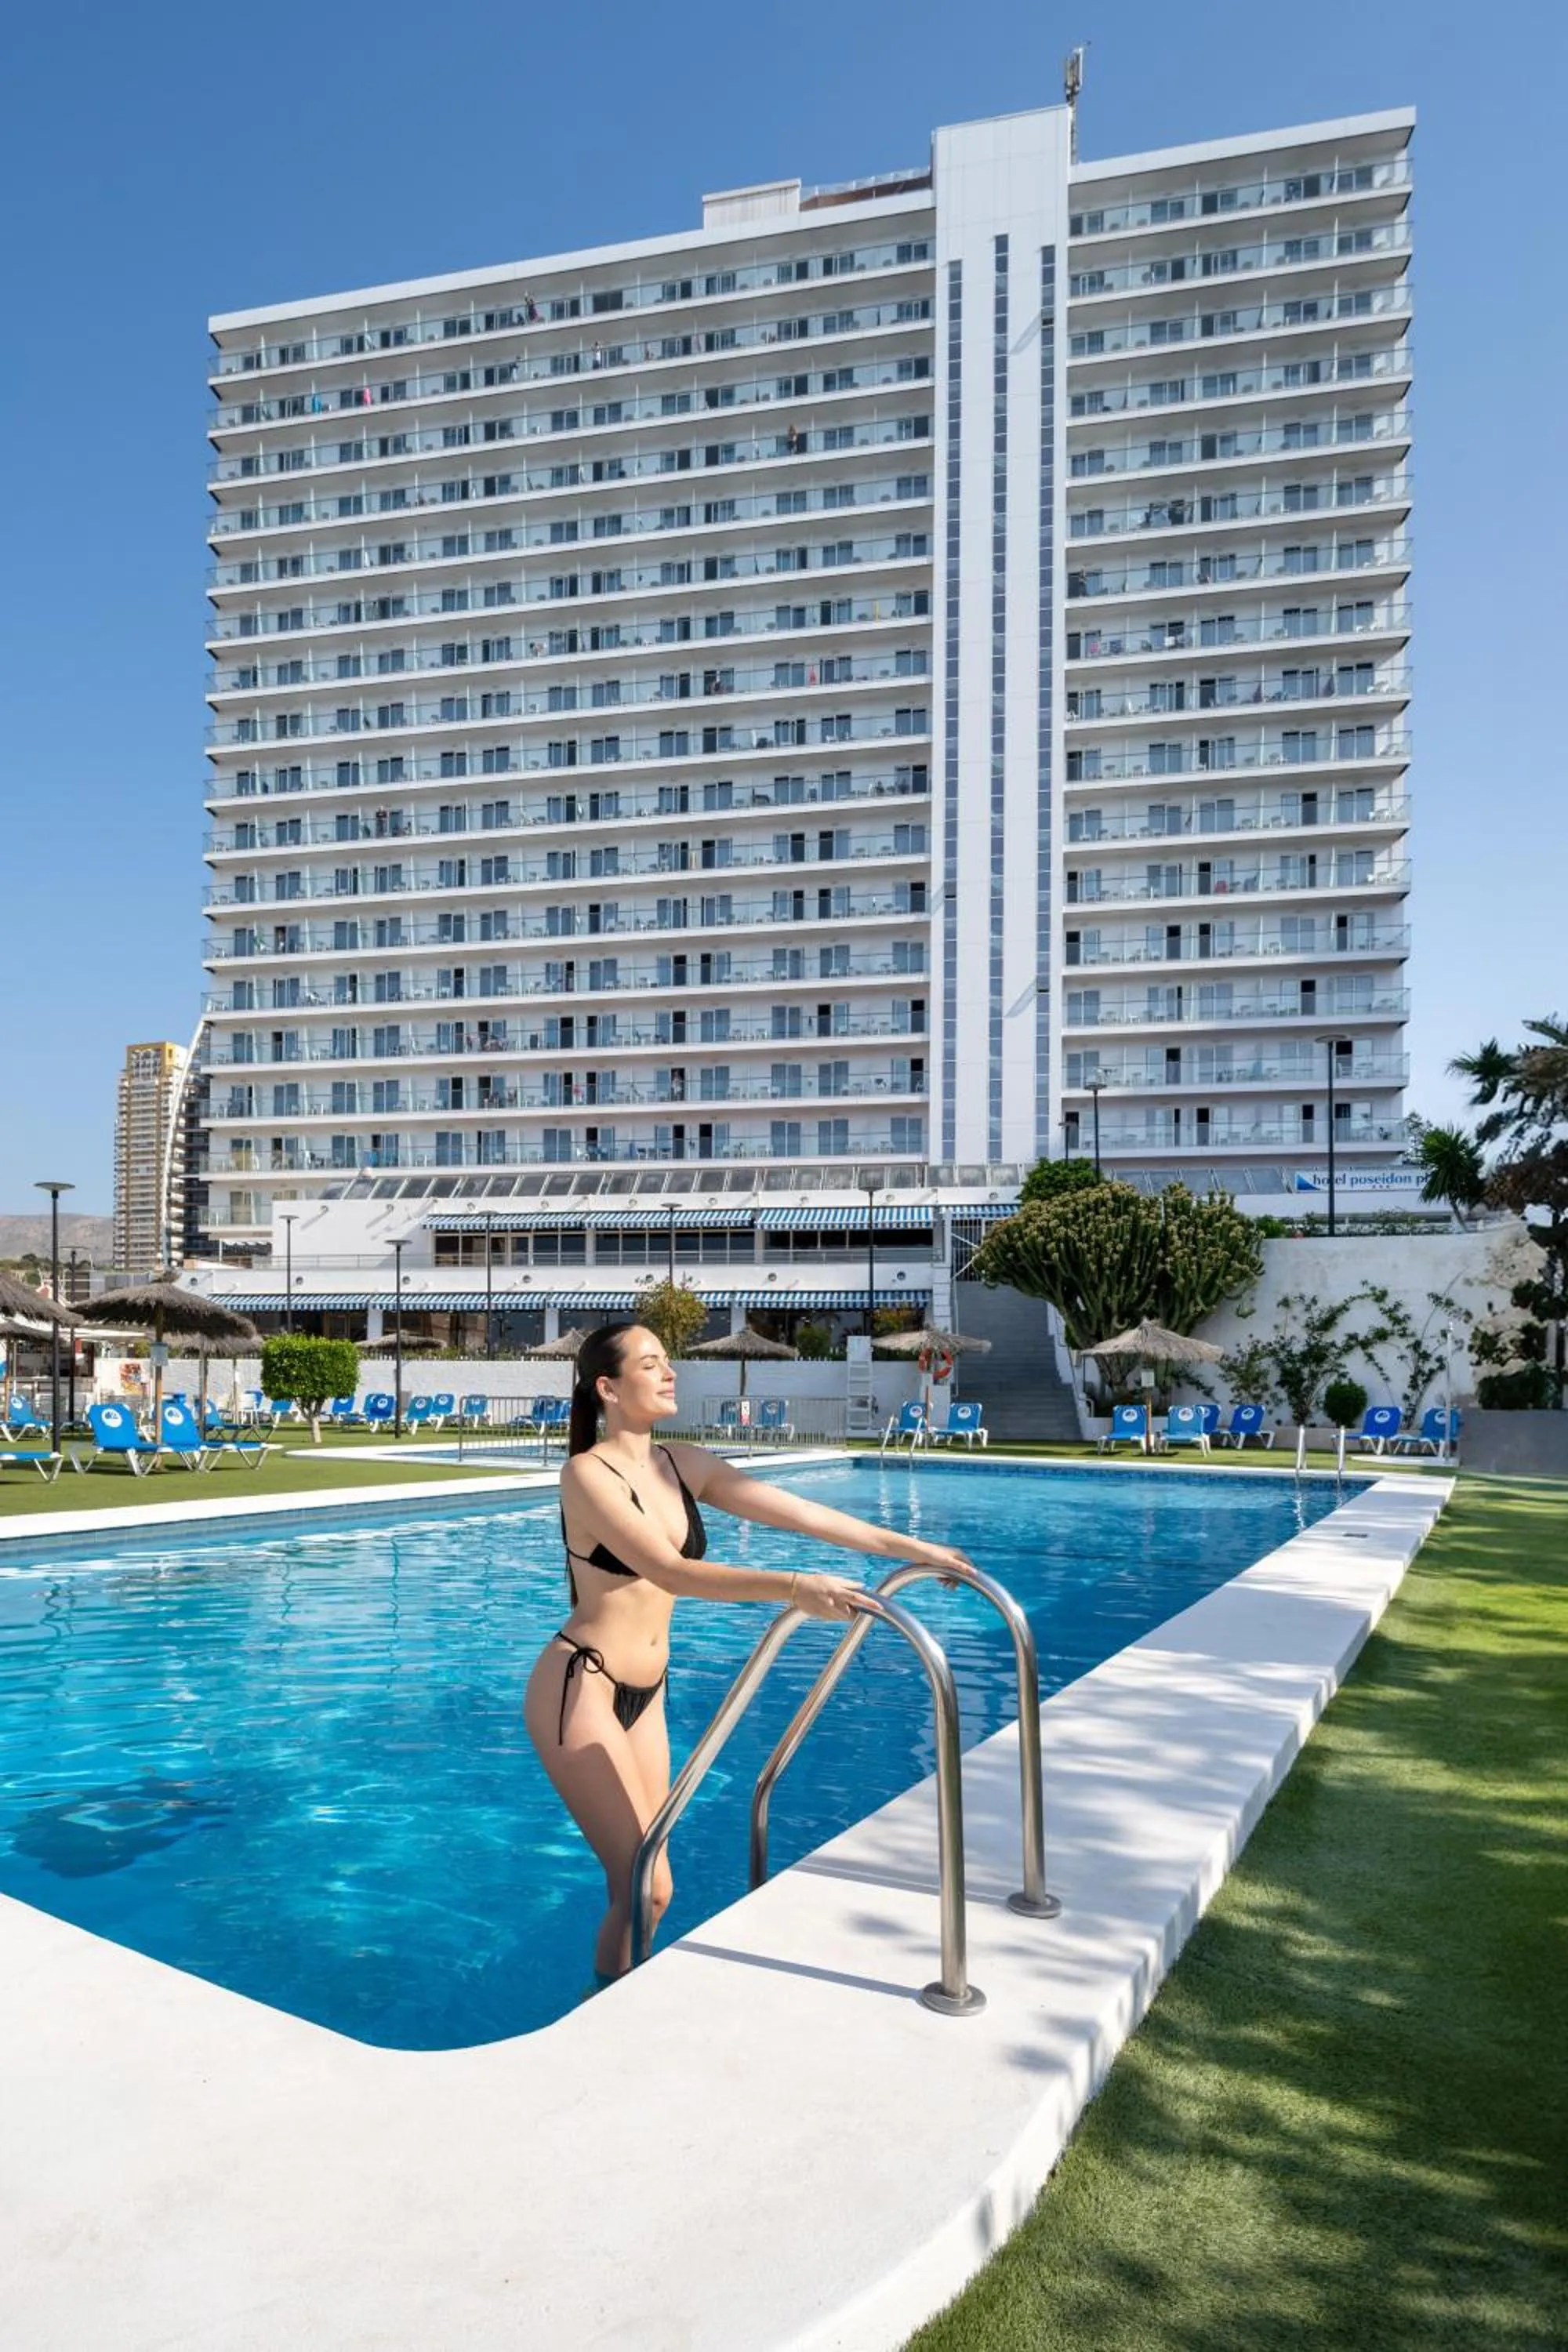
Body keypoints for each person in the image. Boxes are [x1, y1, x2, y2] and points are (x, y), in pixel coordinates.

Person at [523, 1321, 974, 1981]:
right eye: (651, 1364)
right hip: (581, 1687)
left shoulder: (678, 1463)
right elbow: (670, 1572)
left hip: (645, 1696)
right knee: (640, 1886)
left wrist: (921, 1550)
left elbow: (802, 1514)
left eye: (668, 1361)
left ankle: (621, 2010)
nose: (670, 1372)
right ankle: (605, 2020)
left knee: (658, 1887)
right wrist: (794, 1587)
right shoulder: (586, 1474)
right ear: (607, 1388)